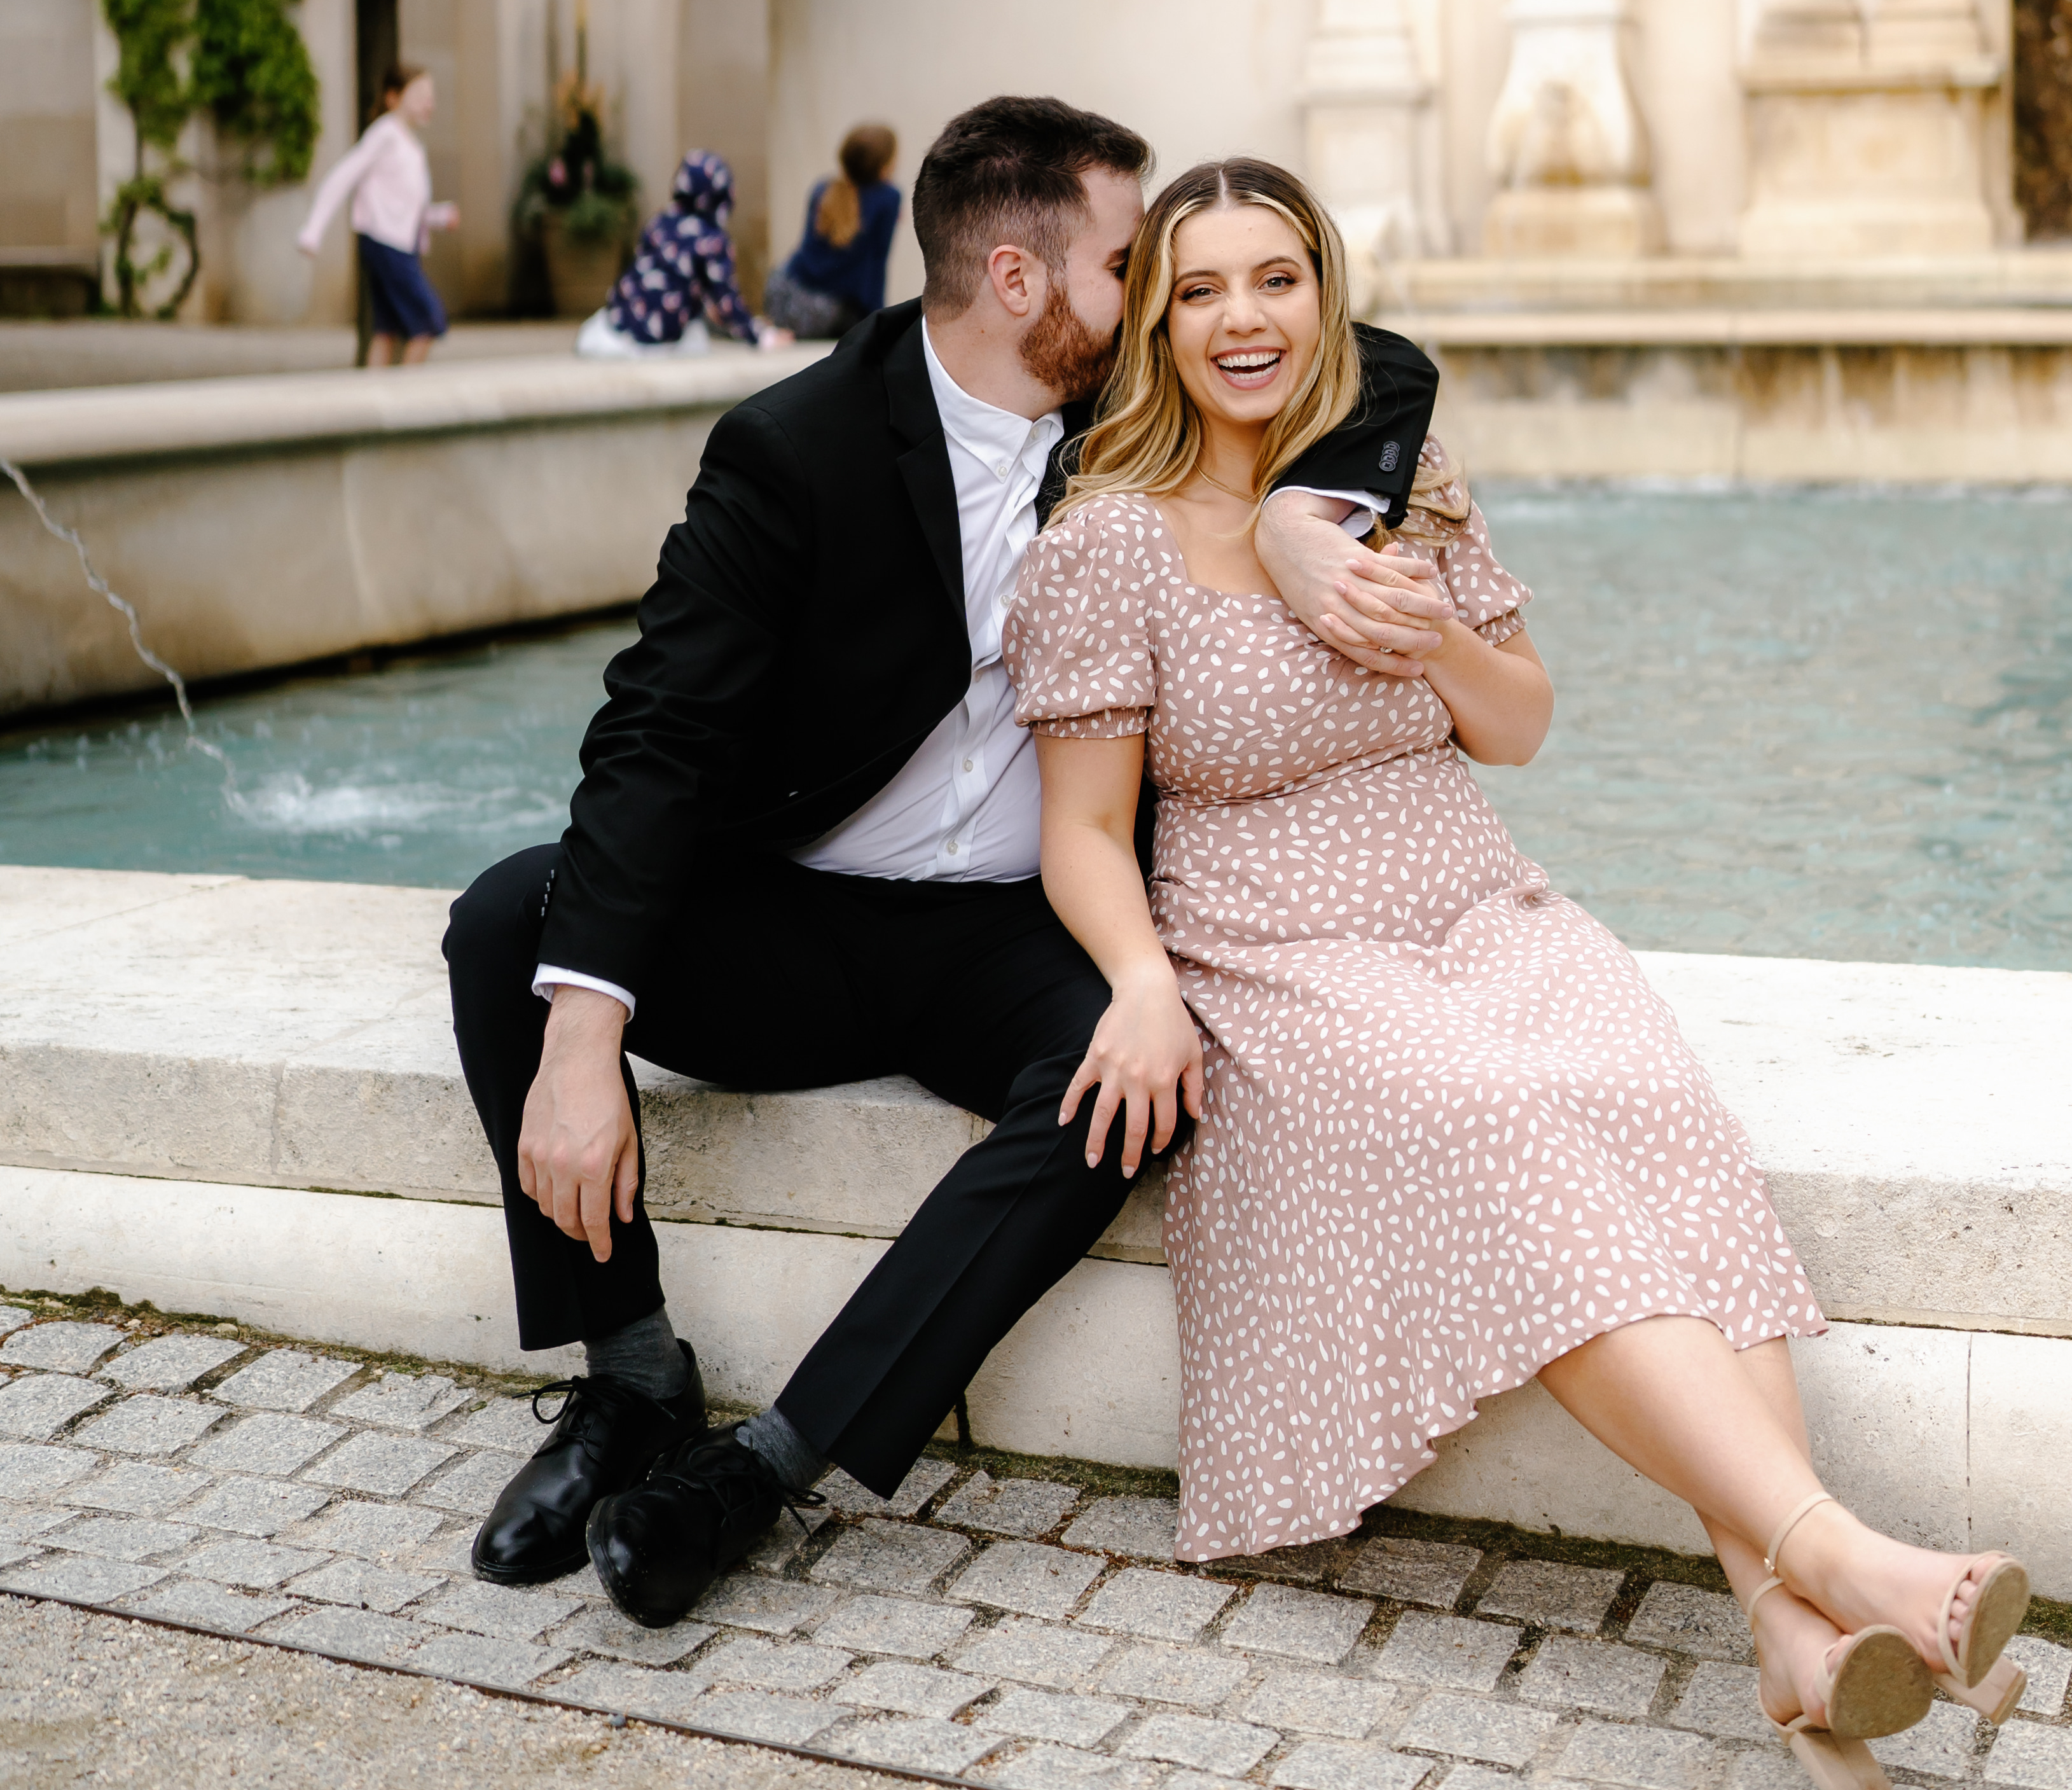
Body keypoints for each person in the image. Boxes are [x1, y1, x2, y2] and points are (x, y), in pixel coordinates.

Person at [1004, 156, 2032, 1790]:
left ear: (1325, 296)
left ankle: (1788, 1631)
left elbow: (1521, 723)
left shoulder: (1397, 486)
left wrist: (1427, 643)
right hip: (1282, 948)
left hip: (1478, 903)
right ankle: (1848, 1556)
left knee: (1638, 1100)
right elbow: (1087, 833)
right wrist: (1139, 982)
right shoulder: (1109, 543)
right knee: (1499, 1120)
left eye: (1276, 281)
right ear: (1162, 327)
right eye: (1200, 290)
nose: (1242, 319)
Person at [443, 94, 1452, 1632]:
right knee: (507, 921)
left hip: (1014, 926)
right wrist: (586, 1036)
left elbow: (1377, 362)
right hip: (800, 914)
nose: (1171, 297)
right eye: (1137, 264)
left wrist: (1312, 519)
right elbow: (656, 733)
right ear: (1019, 280)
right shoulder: (794, 448)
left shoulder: (1128, 413)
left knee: (1134, 1080)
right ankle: (631, 1384)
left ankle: (763, 1467)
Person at [297, 66, 459, 366]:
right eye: (421, 96)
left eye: (432, 97)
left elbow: (410, 206)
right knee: (428, 320)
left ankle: (375, 394)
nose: (430, 104)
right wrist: (314, 230)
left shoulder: (411, 145)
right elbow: (343, 176)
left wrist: (438, 216)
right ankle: (408, 400)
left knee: (387, 330)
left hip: (402, 244)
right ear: (393, 98)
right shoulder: (385, 134)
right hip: (387, 243)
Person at [574, 147, 778, 356]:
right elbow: (726, 303)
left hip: (617, 325)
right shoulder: (712, 241)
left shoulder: (659, 222)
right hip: (660, 338)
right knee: (697, 336)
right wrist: (760, 335)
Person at [761, 124, 900, 340]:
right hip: (826, 313)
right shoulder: (888, 199)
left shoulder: (822, 189)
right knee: (850, 316)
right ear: (885, 166)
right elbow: (877, 265)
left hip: (782, 292)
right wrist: (876, 322)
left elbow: (811, 256)